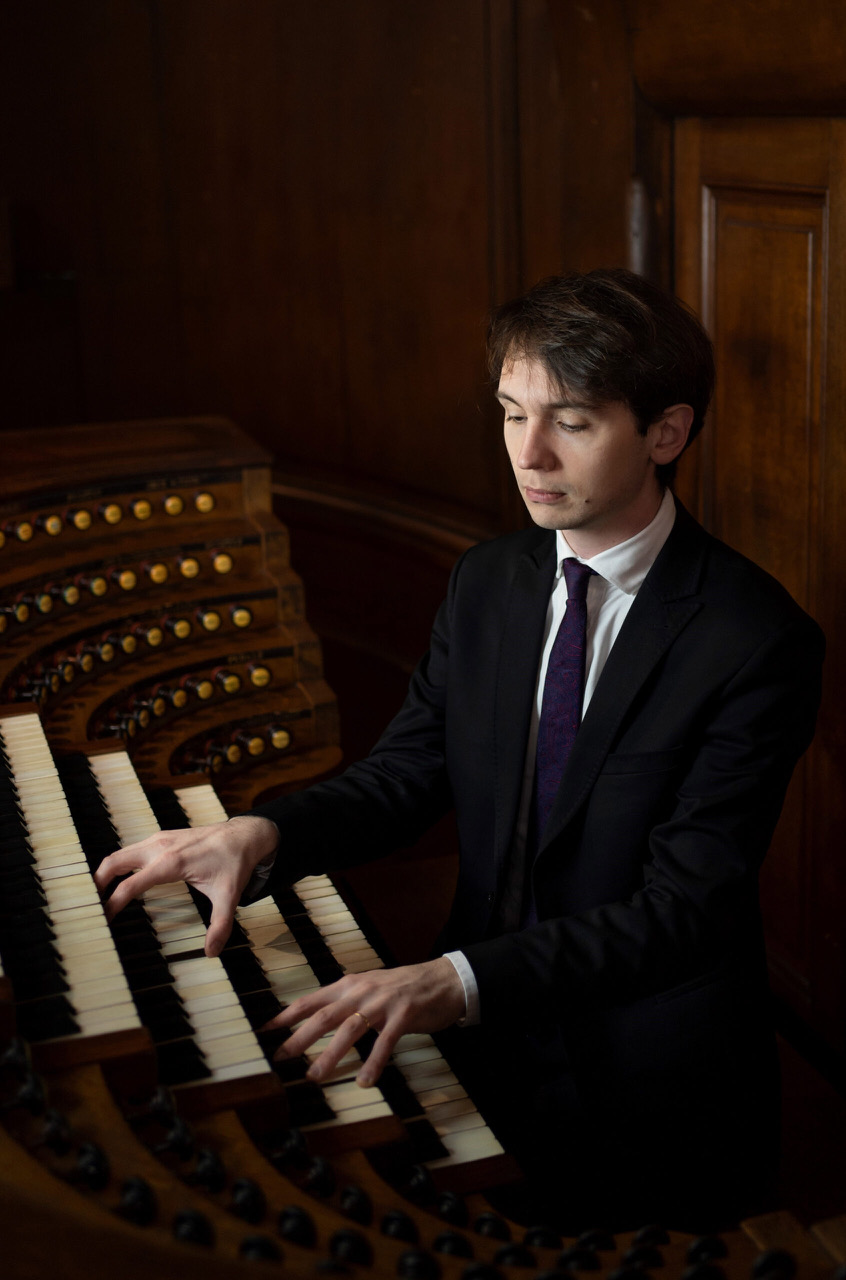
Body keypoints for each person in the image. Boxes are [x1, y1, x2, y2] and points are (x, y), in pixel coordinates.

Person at [95, 269, 824, 1231]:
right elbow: (408, 774)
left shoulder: (755, 639)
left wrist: (454, 981)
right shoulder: (489, 581)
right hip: (483, 1046)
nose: (528, 454)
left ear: (667, 433)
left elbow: (682, 911)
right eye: (511, 413)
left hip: (648, 1080)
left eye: (570, 421)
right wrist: (263, 835)